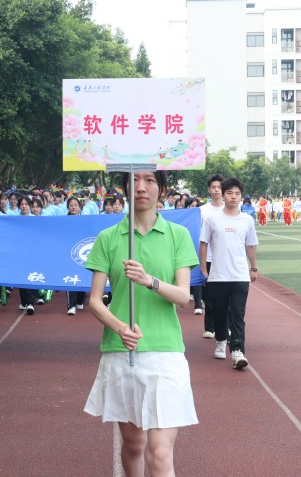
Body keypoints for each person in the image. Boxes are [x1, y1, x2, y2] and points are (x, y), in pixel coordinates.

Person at [84, 170, 199, 477]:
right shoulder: (109, 238)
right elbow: (95, 301)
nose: (141, 187)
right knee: (134, 444)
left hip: (166, 352)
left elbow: (183, 296)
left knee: (159, 452)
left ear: (162, 189)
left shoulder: (177, 235)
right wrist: (120, 328)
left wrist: (150, 281)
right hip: (123, 352)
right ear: (125, 188)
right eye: (134, 180)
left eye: (149, 180)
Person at [199, 178, 258, 369]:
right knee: (220, 312)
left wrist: (253, 267)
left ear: (241, 197)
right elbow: (203, 244)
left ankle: (238, 350)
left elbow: (250, 245)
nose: (233, 197)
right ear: (223, 195)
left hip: (240, 276)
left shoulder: (247, 220)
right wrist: (203, 268)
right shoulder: (212, 219)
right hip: (218, 275)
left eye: (237, 193)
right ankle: (221, 340)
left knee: (238, 314)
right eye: (230, 193)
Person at [199, 174, 225, 334]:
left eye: (219, 187)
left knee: (225, 293)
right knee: (209, 294)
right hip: (207, 257)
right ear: (209, 189)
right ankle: (210, 327)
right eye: (213, 187)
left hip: (224, 258)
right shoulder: (202, 210)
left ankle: (226, 326)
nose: (217, 190)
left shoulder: (230, 208)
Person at [65, 196, 86, 315]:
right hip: (68, 253)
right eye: (71, 205)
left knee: (82, 276)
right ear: (68, 207)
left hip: (81, 253)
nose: (73, 207)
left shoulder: (85, 220)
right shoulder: (63, 220)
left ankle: (80, 300)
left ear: (80, 207)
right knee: (70, 277)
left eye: (76, 205)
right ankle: (71, 305)